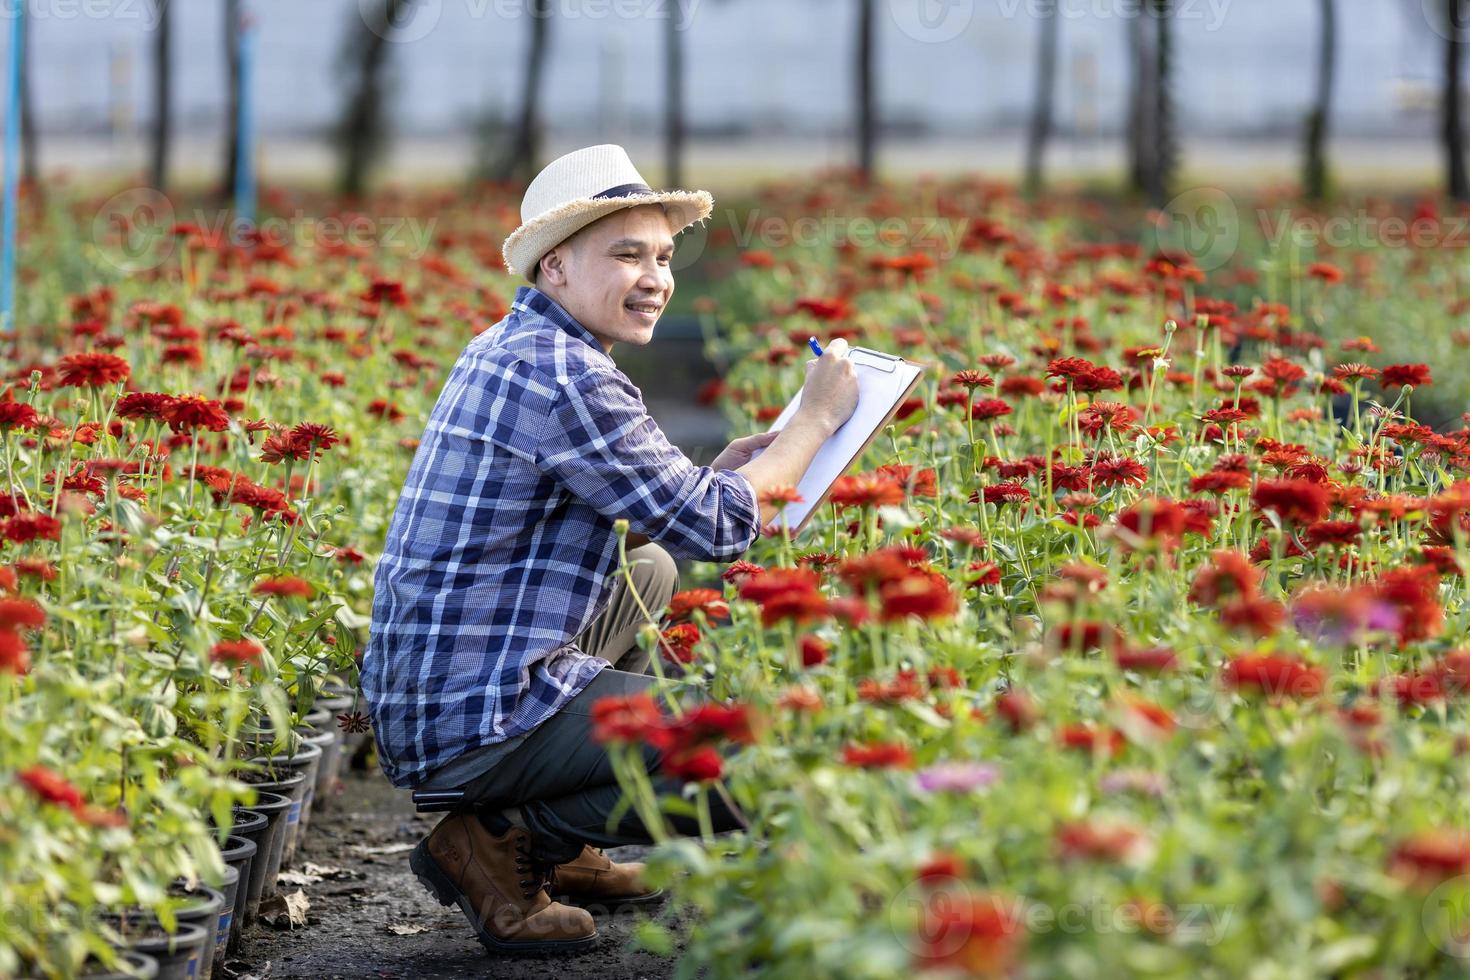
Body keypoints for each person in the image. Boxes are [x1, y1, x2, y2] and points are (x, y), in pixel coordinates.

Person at [360, 144, 858, 955]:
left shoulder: (516, 345)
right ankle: (507, 835)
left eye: (663, 256)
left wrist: (721, 470)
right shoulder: (570, 378)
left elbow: (670, 509)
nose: (657, 277)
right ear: (554, 267)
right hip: (476, 719)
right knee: (748, 745)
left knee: (649, 567)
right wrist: (815, 420)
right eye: (626, 254)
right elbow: (722, 530)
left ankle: (556, 842)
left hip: (438, 694)